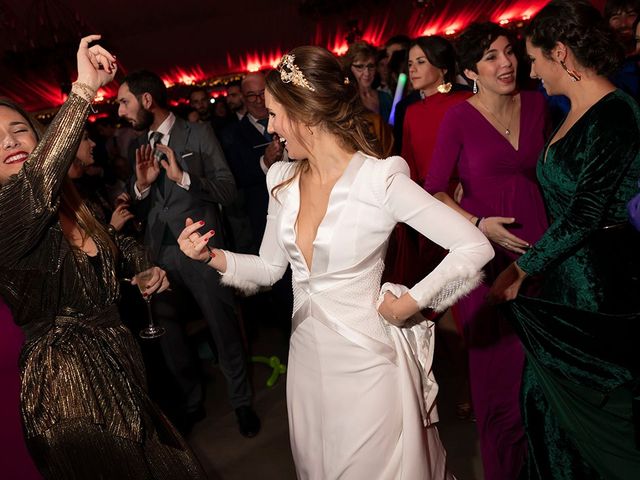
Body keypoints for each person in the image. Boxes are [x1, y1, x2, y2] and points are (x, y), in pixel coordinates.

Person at [179, 45, 494, 479]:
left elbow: (473, 247)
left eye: (274, 114)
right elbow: (270, 269)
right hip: (306, 365)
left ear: (303, 112)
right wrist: (211, 257)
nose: (270, 126)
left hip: (368, 366)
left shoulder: (379, 179)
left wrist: (411, 303)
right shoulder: (282, 180)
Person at [0, 36, 205, 479]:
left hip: (119, 363)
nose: (9, 141)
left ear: (36, 138)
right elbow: (36, 184)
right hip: (66, 391)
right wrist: (84, 88)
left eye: (18, 129)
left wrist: (147, 267)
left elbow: (115, 248)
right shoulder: (8, 212)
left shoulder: (71, 203)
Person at [489, 1, 640, 478]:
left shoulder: (616, 114)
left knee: (572, 416)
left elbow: (586, 213)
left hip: (599, 292)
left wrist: (521, 269)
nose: (530, 71)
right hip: (567, 283)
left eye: (535, 59)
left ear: (563, 54)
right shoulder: (574, 109)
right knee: (544, 408)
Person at [424, 22, 550, 480]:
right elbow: (434, 190)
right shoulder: (458, 117)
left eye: (509, 52)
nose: (506, 63)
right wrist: (479, 224)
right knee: (500, 382)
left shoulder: (537, 104)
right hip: (487, 258)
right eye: (492, 57)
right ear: (470, 70)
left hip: (541, 254)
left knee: (544, 372)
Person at [117, 70, 260, 437]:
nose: (120, 111)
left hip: (201, 248)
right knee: (167, 332)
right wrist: (141, 187)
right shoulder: (135, 145)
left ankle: (242, 401)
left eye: (124, 102)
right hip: (159, 253)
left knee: (221, 323)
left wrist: (183, 178)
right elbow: (137, 201)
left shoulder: (198, 134)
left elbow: (228, 189)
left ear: (147, 101)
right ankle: (191, 400)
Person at [344, 41, 394, 122]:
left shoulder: (386, 98)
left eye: (371, 66)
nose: (367, 73)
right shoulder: (347, 100)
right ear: (350, 68)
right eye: (360, 67)